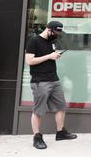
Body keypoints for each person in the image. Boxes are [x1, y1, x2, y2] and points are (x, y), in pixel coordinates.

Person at [25, 21, 77, 150]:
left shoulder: (50, 41)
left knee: (61, 106)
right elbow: (29, 61)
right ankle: (37, 137)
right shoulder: (34, 41)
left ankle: (60, 132)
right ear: (48, 29)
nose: (56, 35)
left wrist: (55, 56)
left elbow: (49, 57)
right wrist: (49, 56)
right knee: (39, 110)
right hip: (40, 81)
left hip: (54, 79)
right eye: (55, 32)